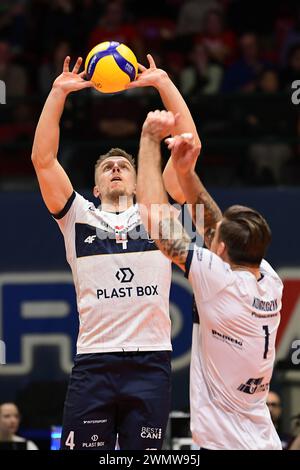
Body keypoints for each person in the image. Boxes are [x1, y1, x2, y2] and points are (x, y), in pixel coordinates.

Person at [31, 54, 204, 450]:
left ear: (138, 179)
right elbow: (42, 160)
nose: (114, 169)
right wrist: (58, 92)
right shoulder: (76, 214)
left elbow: (189, 147)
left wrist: (163, 83)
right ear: (94, 188)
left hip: (151, 361)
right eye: (107, 167)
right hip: (95, 361)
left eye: (122, 166)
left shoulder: (155, 211)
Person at [136, 109, 283, 450]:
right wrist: (186, 175)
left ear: (218, 248)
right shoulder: (268, 279)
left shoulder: (220, 281)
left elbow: (155, 219)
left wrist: (148, 140)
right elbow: (216, 227)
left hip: (227, 444)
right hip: (260, 440)